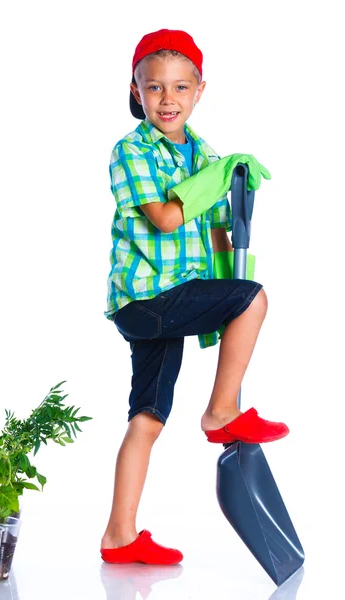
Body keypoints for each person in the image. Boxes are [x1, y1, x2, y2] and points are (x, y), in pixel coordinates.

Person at [100, 28, 289, 566]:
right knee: (253, 300)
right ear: (136, 91)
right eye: (155, 87)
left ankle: (119, 536)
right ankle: (221, 411)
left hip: (176, 295)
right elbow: (164, 219)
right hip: (145, 300)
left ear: (200, 90)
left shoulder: (203, 153)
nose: (168, 99)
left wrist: (232, 216)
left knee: (148, 418)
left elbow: (213, 229)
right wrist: (214, 182)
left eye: (180, 88)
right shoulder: (130, 151)